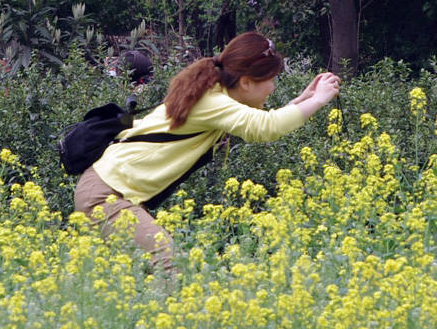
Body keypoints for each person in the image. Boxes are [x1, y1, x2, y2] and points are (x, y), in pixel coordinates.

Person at [73, 32, 340, 274]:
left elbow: (261, 120)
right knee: (170, 264)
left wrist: (303, 101)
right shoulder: (213, 101)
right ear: (246, 82)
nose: (272, 88)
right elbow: (265, 127)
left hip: (108, 189)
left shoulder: (212, 91)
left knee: (132, 277)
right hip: (105, 195)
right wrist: (318, 101)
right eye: (270, 80)